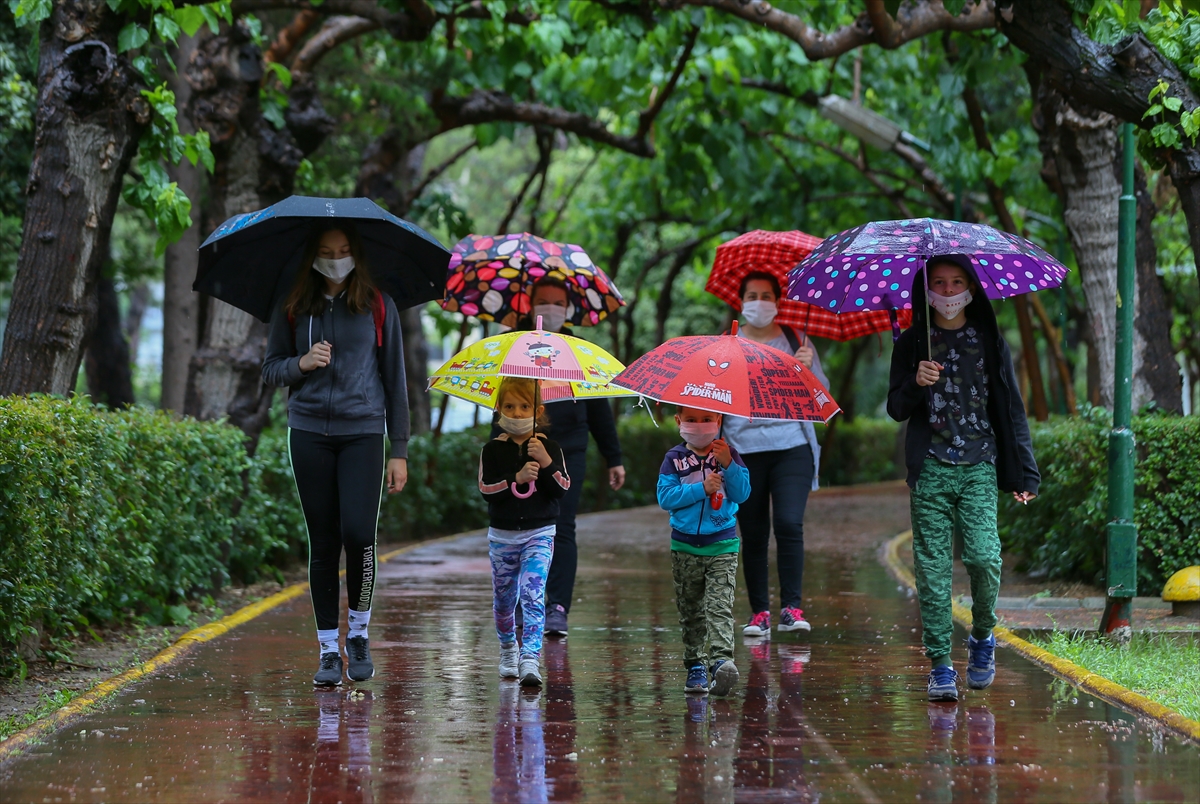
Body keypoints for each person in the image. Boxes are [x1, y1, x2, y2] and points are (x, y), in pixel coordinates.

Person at [262, 222, 409, 687]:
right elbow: (271, 369)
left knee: (359, 534)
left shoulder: (378, 305)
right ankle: (328, 648)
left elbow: (396, 380)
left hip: (363, 432)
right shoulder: (292, 305)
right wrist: (301, 364)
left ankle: (359, 635)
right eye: (327, 250)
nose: (336, 258)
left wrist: (398, 448)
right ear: (312, 255)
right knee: (323, 541)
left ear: (356, 254)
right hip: (308, 432)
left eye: (344, 250)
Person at [887, 255, 1039, 702]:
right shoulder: (913, 341)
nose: (949, 291)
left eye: (957, 282)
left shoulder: (990, 339)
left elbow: (1011, 408)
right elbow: (896, 408)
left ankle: (983, 635)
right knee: (932, 571)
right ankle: (940, 665)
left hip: (979, 464)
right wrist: (916, 381)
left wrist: (1025, 471)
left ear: (972, 287)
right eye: (940, 283)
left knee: (984, 558)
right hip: (930, 468)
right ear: (926, 288)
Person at [506, 277, 625, 636]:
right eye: (544, 301)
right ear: (530, 304)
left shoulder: (580, 350)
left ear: (569, 309)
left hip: (569, 450)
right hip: (522, 446)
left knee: (562, 526)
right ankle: (526, 603)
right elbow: (499, 405)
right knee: (523, 527)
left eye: (558, 303)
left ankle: (557, 607)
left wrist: (613, 456)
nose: (551, 308)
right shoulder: (514, 346)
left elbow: (599, 408)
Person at [725, 271, 827, 637]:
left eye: (766, 295)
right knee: (752, 533)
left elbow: (822, 397)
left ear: (778, 301)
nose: (759, 302)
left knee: (788, 523)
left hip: (792, 447)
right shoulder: (728, 344)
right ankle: (759, 614)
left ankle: (791, 607)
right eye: (752, 294)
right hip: (743, 451)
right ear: (741, 301)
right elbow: (709, 395)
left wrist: (808, 366)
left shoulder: (795, 339)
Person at [479, 377, 570, 687]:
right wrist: (515, 477)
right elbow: (486, 489)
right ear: (498, 409)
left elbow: (561, 489)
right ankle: (508, 647)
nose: (516, 414)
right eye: (508, 406)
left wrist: (545, 462)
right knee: (505, 600)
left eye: (524, 406)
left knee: (533, 595)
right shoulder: (492, 449)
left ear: (538, 410)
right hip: (503, 537)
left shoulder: (550, 447)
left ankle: (530, 657)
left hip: (539, 534)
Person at [657, 406, 751, 696]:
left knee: (719, 606)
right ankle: (695, 665)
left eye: (707, 419)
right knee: (691, 610)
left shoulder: (729, 454)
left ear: (719, 421)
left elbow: (743, 493)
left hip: (722, 545)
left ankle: (722, 662)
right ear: (679, 421)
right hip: (684, 547)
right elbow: (665, 497)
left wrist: (729, 466)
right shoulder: (674, 459)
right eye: (692, 420)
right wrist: (702, 488)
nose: (700, 425)